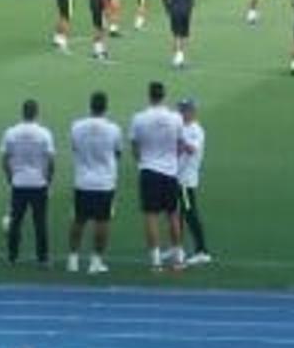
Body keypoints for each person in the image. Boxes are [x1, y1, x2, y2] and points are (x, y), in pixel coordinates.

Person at [128, 80, 184, 271]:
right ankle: (177, 258)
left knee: (151, 216)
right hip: (170, 171)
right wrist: (171, 161)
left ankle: (156, 261)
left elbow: (134, 147)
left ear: (149, 95)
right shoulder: (175, 118)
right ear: (164, 95)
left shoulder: (139, 118)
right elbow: (179, 145)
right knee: (173, 215)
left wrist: (142, 163)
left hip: (149, 170)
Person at [67, 90, 122, 275]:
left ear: (90, 105)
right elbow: (117, 153)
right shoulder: (113, 129)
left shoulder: (77, 126)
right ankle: (96, 261)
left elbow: (74, 148)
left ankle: (73, 259)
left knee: (79, 220)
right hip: (104, 182)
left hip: (83, 180)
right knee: (102, 221)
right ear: (105, 107)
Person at [1, 98, 57, 266]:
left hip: (18, 183)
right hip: (39, 183)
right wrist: (48, 181)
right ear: (36, 113)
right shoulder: (44, 133)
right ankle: (43, 258)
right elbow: (51, 161)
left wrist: (10, 178)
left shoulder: (11, 132)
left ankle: (12, 256)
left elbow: (4, 159)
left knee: (15, 221)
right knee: (40, 222)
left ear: (22, 112)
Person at [175, 98, 210, 266]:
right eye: (180, 109)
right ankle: (178, 247)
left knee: (190, 214)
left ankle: (202, 251)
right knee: (179, 213)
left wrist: (179, 140)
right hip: (177, 176)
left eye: (183, 110)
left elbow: (191, 149)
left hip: (186, 179)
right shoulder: (181, 128)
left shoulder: (196, 130)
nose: (180, 112)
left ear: (191, 112)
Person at [163, 0, 197, 69]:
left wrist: (167, 7)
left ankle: (176, 58)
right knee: (184, 35)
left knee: (176, 34)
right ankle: (180, 58)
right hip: (185, 10)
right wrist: (191, 9)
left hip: (175, 9)